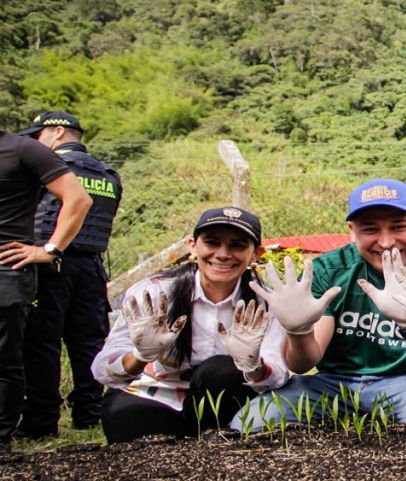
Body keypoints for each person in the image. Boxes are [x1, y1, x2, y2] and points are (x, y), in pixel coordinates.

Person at [232, 179, 406, 433]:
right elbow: (304, 364)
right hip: (333, 383)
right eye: (370, 229)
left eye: (399, 226)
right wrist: (299, 330)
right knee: (251, 423)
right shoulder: (329, 270)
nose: (386, 242)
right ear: (352, 232)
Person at [91, 207, 288, 443]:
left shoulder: (265, 304)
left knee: (222, 370)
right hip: (156, 394)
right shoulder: (153, 294)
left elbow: (277, 374)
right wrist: (140, 355)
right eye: (212, 243)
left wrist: (253, 365)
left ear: (256, 254)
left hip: (222, 399)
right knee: (128, 425)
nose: (223, 254)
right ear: (193, 246)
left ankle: (215, 439)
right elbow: (104, 370)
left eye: (237, 245)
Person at [15, 112, 123, 438]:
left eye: (39, 134)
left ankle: (41, 421)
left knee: (41, 343)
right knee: (88, 343)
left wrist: (46, 248)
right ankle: (89, 415)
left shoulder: (43, 169)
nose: (35, 142)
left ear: (58, 131)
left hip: (48, 264)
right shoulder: (107, 173)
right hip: (91, 267)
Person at [0, 123, 91, 453]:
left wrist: (50, 249)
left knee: (5, 358)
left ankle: (1, 440)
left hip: (7, 270)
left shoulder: (24, 149)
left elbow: (78, 199)